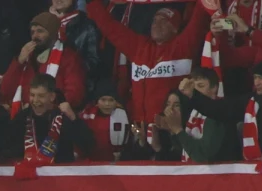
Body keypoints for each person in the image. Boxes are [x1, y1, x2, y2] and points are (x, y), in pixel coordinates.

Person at [85, 0, 210, 131]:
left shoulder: (183, 47)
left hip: (170, 130)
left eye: (163, 21)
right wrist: (91, 3)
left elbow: (199, 19)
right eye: (155, 20)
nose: (156, 24)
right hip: (139, 130)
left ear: (175, 28)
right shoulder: (140, 47)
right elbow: (110, 27)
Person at [0, 12, 87, 115]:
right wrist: (19, 62)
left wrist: (48, 108)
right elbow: (6, 92)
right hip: (25, 116)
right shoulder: (26, 57)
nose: (35, 36)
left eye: (40, 31)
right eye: (32, 32)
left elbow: (75, 94)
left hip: (55, 116)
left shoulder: (69, 57)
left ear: (52, 33)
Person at [7, 74, 93, 177]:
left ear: (52, 97)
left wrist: (74, 119)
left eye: (41, 96)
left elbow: (88, 145)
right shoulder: (22, 117)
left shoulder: (63, 117)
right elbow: (8, 146)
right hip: (28, 180)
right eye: (32, 95)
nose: (35, 100)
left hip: (60, 180)